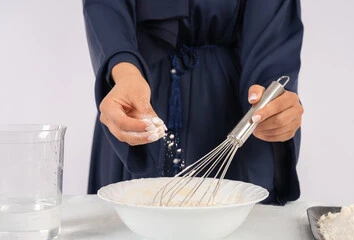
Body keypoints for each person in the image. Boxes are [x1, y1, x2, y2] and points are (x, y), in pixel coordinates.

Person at [83, 0, 304, 205]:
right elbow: (106, 8)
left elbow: (273, 30)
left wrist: (273, 106)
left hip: (231, 107)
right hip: (136, 100)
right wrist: (124, 72)